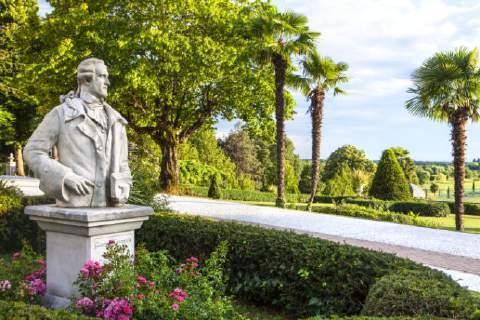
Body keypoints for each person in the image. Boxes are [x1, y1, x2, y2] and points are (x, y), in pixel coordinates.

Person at [24, 58, 132, 207]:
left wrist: (122, 187)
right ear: (86, 80)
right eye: (102, 76)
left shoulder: (116, 120)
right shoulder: (61, 114)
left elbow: (123, 164)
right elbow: (32, 151)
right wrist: (65, 176)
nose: (108, 82)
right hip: (75, 200)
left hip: (110, 203)